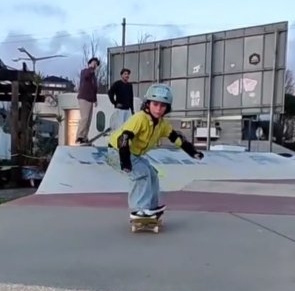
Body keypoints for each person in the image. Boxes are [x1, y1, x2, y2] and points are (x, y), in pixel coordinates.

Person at [107, 83, 203, 217]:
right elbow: (124, 138)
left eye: (162, 106)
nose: (158, 109)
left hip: (134, 155)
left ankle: (150, 208)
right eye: (155, 104)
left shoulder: (162, 125)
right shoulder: (139, 118)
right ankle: (139, 209)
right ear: (148, 104)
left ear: (167, 108)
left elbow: (176, 138)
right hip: (117, 152)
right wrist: (125, 162)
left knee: (152, 174)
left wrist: (193, 152)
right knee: (142, 173)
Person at [76, 57, 100, 144]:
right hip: (84, 97)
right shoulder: (85, 71)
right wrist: (91, 68)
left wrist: (95, 100)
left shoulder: (94, 77)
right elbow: (86, 76)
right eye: (94, 63)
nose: (95, 65)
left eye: (96, 64)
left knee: (89, 119)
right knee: (85, 117)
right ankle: (80, 135)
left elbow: (94, 89)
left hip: (90, 99)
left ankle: (85, 136)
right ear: (90, 63)